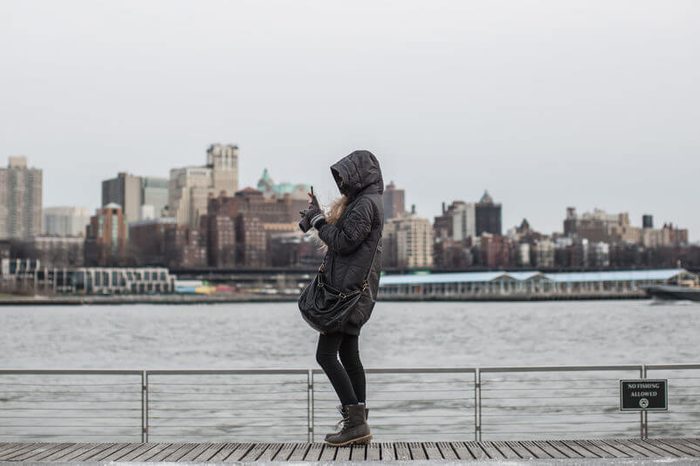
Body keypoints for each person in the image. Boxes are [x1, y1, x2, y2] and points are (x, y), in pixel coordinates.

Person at [299, 150, 384, 446]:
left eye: (346, 177)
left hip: (345, 294)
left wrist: (319, 222)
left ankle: (356, 423)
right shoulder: (367, 202)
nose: (342, 184)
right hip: (354, 292)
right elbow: (348, 240)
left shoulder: (364, 205)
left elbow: (344, 242)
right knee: (348, 355)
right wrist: (319, 215)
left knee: (325, 355)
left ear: (360, 175)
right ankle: (359, 426)